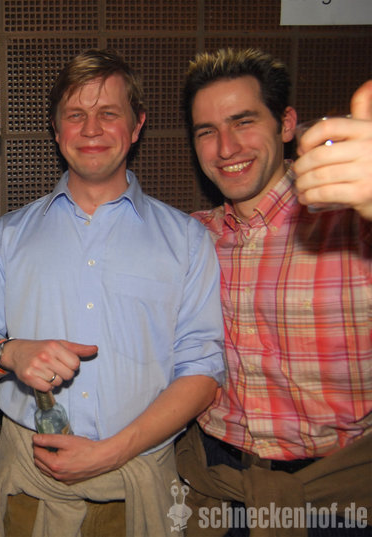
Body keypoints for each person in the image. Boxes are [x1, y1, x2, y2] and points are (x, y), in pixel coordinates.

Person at [0, 48, 225, 537]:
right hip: (29, 491)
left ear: (136, 126)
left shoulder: (186, 240)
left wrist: (113, 451)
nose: (91, 129)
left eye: (108, 113)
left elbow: (202, 371)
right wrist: (11, 353)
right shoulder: (6, 237)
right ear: (57, 131)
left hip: (140, 486)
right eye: (76, 115)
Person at [174, 48, 372, 536]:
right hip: (219, 489)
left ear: (285, 124)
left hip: (340, 497)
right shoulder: (188, 239)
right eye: (206, 132)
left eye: (243, 122)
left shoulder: (352, 222)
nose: (226, 148)